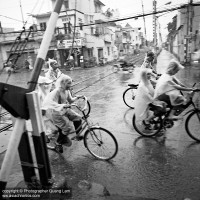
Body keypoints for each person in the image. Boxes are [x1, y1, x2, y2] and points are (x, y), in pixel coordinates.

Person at [42, 74, 83, 147]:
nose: (70, 85)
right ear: (63, 83)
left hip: (65, 110)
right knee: (67, 129)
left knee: (78, 118)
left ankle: (77, 136)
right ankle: (59, 142)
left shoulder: (67, 91)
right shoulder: (56, 91)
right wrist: (62, 105)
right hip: (57, 113)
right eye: (68, 83)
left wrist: (78, 97)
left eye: (71, 83)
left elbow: (70, 100)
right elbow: (50, 102)